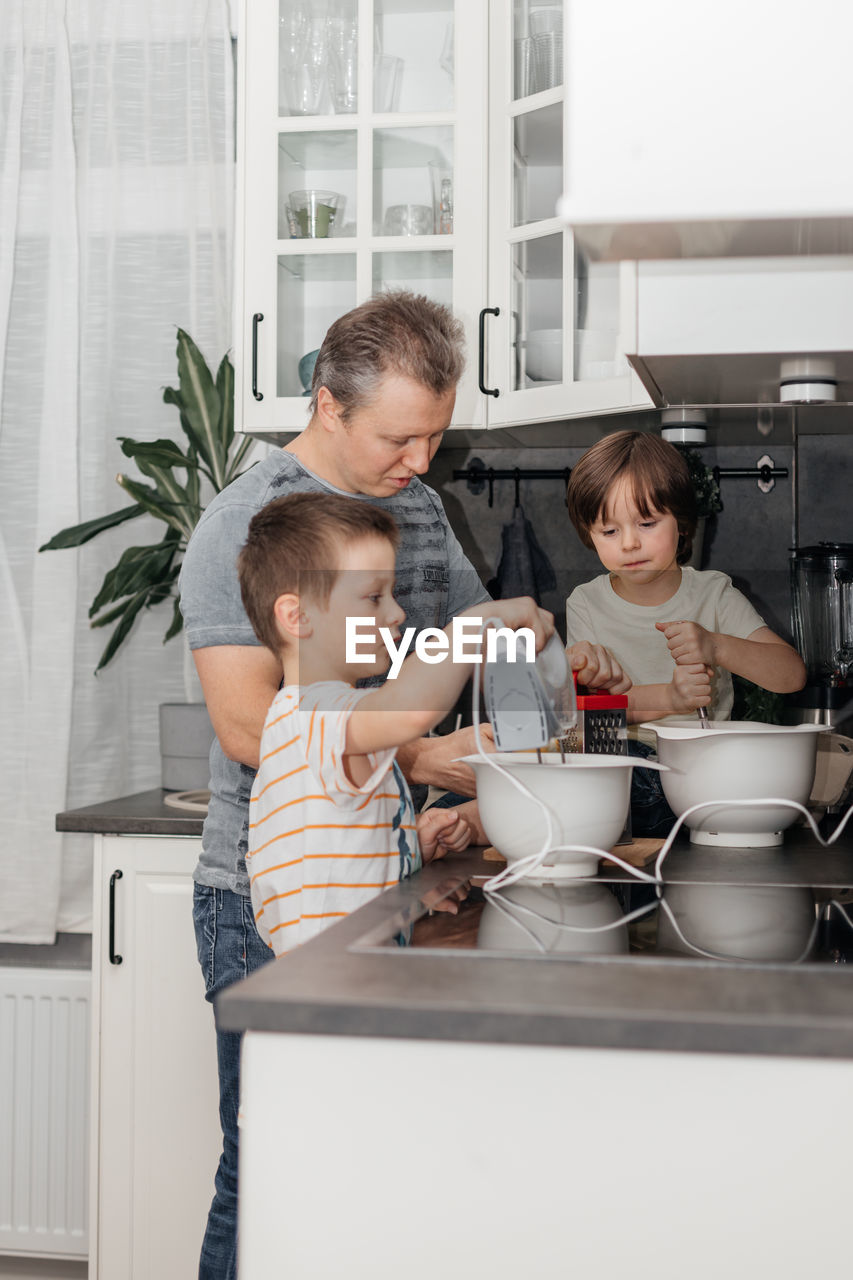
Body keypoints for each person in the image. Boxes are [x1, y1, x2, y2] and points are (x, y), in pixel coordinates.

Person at [179, 290, 629, 1280]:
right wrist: (418, 756)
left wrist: (521, 726)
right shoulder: (246, 525)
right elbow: (250, 723)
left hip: (374, 882)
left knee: (366, 1163)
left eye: (436, 433)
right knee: (269, 1169)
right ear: (327, 405)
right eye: (400, 436)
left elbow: (483, 640)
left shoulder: (419, 508)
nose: (422, 462)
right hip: (263, 900)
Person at [237, 491, 554, 955]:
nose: (397, 613)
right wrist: (478, 622)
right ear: (297, 616)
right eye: (373, 597)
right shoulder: (308, 716)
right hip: (328, 1004)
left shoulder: (333, 718)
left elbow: (337, 858)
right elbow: (410, 707)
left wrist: (405, 849)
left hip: (349, 990)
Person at [565, 430, 806, 836]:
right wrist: (671, 697)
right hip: (611, 765)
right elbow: (591, 713)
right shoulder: (585, 602)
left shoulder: (713, 594)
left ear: (682, 523)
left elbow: (790, 675)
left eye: (647, 523)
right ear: (588, 534)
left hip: (696, 775)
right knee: (572, 758)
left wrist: (716, 645)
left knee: (590, 786)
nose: (629, 544)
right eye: (609, 531)